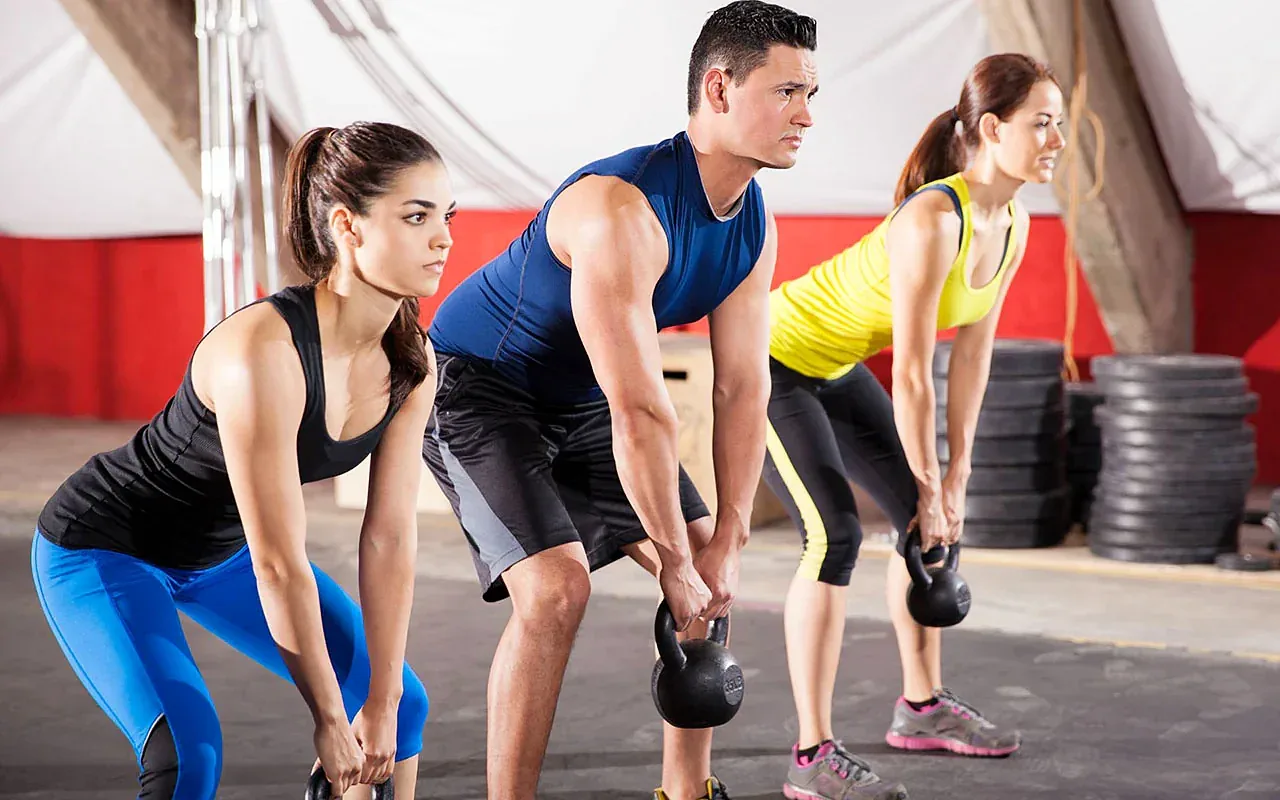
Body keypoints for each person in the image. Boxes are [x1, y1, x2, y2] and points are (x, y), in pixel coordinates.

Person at [421, 3, 821, 798]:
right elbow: (641, 411)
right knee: (558, 589)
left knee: (710, 572)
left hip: (586, 402)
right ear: (718, 87)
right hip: (484, 389)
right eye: (786, 93)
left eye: (812, 94)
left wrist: (725, 542)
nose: (807, 115)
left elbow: (743, 388)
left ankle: (685, 789)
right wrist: (671, 560)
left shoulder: (753, 225)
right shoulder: (622, 207)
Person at [30, 121, 453, 799]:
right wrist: (329, 720)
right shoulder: (265, 351)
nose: (443, 239)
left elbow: (390, 537)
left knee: (401, 708)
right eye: (416, 217)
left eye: (446, 216)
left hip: (220, 553)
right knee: (189, 756)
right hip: (108, 548)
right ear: (347, 227)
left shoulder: (410, 360)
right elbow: (278, 562)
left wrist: (376, 700)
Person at [762, 53, 1065, 800]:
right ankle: (811, 754)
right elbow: (910, 370)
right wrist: (928, 480)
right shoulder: (935, 216)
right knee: (832, 535)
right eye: (1043, 123)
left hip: (833, 367)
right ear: (993, 129)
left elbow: (972, 362)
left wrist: (953, 479)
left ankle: (922, 708)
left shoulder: (1013, 222)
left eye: (1060, 123)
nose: (1057, 138)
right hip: (768, 361)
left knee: (921, 528)